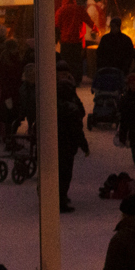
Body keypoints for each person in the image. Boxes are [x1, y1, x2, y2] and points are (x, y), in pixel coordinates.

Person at [56, 64, 90, 212]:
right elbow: (77, 128)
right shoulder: (71, 107)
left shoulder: (53, 103)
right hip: (67, 145)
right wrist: (84, 145)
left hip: (56, 143)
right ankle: (60, 199)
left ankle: (58, 196)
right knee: (64, 174)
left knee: (56, 173)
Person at [55, 0, 94, 77]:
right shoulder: (79, 9)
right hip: (77, 40)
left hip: (65, 41)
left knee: (66, 60)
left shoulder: (60, 11)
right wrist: (95, 29)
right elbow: (88, 20)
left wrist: (58, 38)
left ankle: (67, 76)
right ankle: (77, 78)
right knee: (76, 60)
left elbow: (56, 25)